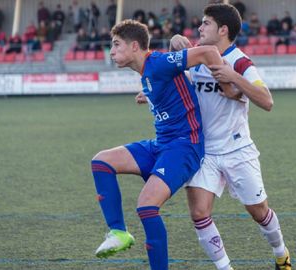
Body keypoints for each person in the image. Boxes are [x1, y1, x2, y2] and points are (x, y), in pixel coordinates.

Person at [91, 19, 234, 270]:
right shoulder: (147, 73)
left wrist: (227, 85)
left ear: (135, 46)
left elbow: (209, 52)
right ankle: (119, 233)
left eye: (116, 45)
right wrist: (149, 95)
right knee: (102, 161)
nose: (111, 51)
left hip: (184, 147)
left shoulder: (157, 63)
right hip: (161, 145)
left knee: (147, 205)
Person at [169, 3, 291, 270]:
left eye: (206, 23)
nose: (200, 27)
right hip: (204, 151)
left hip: (238, 150)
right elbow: (172, 74)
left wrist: (233, 76)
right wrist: (175, 46)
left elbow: (267, 101)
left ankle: (281, 253)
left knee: (259, 212)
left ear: (223, 30)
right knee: (199, 213)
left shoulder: (241, 62)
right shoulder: (197, 56)